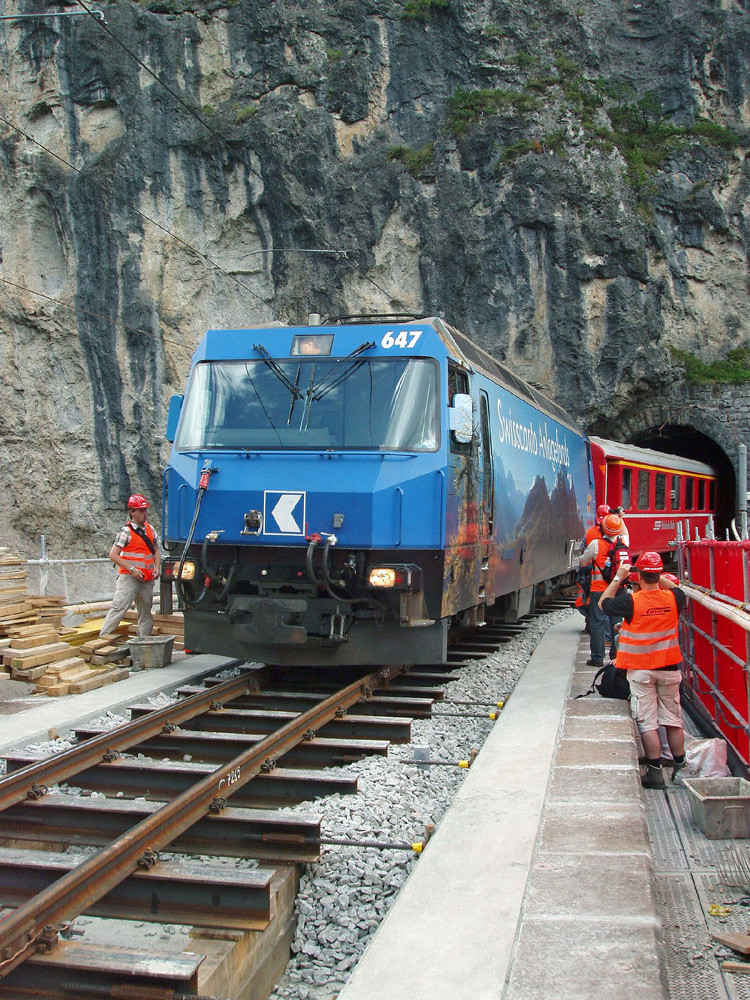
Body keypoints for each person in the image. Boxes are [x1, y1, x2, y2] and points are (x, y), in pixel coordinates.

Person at [600, 551, 687, 789]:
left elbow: (603, 603)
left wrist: (619, 577)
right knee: (673, 719)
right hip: (669, 669)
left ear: (639, 576)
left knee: (648, 721)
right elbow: (677, 588)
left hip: (641, 672)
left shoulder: (631, 601)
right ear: (659, 574)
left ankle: (655, 772)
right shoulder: (674, 598)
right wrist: (654, 575)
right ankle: (680, 767)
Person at [99, 494, 161, 640]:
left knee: (146, 613)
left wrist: (157, 567)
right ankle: (102, 640)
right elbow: (113, 555)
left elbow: (156, 550)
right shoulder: (125, 532)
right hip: (129, 578)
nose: (144, 513)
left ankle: (143, 643)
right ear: (132, 512)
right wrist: (131, 569)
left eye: (145, 509)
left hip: (146, 579)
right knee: (119, 608)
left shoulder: (150, 529)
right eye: (140, 510)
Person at [579, 512, 631, 666]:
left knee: (597, 623)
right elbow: (626, 532)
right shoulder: (624, 543)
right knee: (617, 623)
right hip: (619, 590)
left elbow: (583, 562)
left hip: (599, 590)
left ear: (603, 527)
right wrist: (620, 518)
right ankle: (616, 656)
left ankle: (597, 658)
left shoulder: (596, 544)